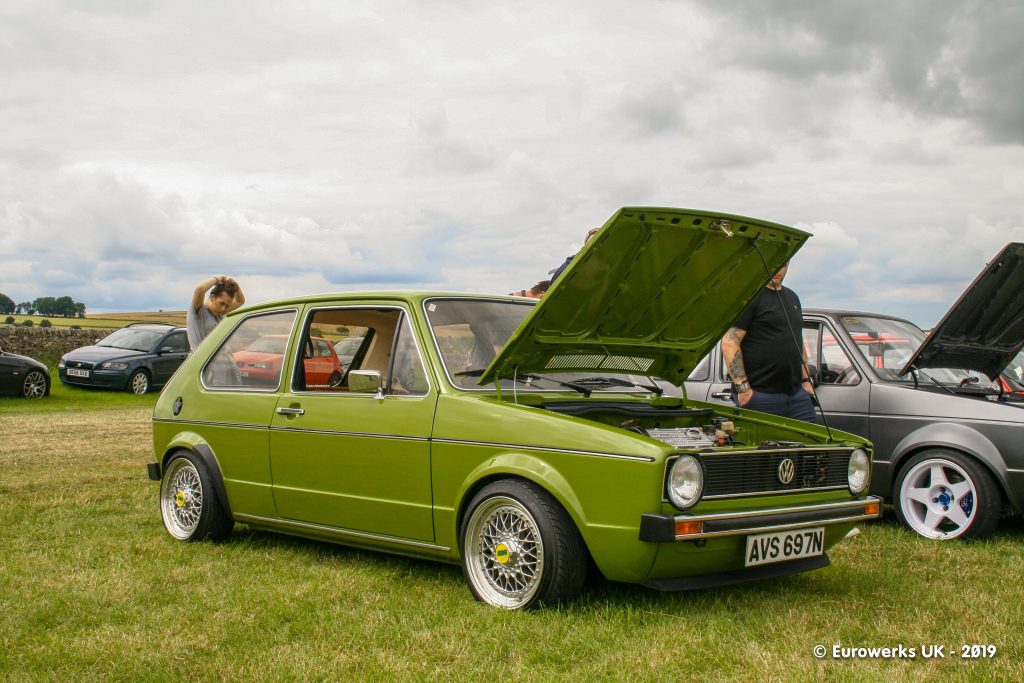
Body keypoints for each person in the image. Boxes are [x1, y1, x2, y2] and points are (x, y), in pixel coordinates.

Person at [721, 262, 817, 422]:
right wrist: (743, 389)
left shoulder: (792, 297)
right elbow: (729, 343)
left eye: (782, 265)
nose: (777, 269)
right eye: (773, 263)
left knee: (810, 438)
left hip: (796, 396)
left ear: (788, 264)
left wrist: (806, 381)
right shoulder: (750, 297)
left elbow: (797, 342)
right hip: (760, 395)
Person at [187, 275, 245, 350]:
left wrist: (236, 286)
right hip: (203, 357)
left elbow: (240, 301)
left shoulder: (219, 312)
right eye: (222, 303)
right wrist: (217, 279)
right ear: (212, 297)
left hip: (220, 356)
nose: (223, 308)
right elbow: (200, 289)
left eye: (227, 306)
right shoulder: (198, 310)